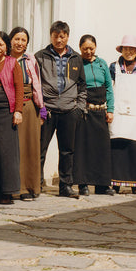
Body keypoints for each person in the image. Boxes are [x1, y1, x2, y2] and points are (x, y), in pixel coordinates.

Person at [36, 21, 87, 198]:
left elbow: (82, 86)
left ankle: (65, 186)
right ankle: (36, 184)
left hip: (69, 111)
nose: (59, 39)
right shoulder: (40, 56)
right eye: (56, 36)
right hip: (47, 111)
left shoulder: (76, 58)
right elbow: (36, 84)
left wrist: (79, 108)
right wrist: (40, 107)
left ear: (67, 36)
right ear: (51, 36)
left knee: (67, 151)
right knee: (40, 150)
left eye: (62, 36)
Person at [109, 35, 136, 194]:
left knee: (135, 148)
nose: (128, 52)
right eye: (125, 49)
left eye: (131, 49)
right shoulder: (113, 67)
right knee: (117, 147)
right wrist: (110, 109)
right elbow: (109, 88)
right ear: (121, 50)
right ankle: (115, 184)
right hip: (118, 114)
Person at [73, 34, 115, 196]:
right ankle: (83, 184)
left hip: (100, 110)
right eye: (85, 49)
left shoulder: (102, 64)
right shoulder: (77, 63)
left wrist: (110, 109)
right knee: (83, 148)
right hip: (85, 110)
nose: (88, 52)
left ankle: (102, 185)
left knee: (101, 148)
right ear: (80, 49)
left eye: (91, 48)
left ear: (95, 48)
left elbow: (109, 88)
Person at [0, 31, 24, 204]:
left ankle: (7, 191)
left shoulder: (12, 63)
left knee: (7, 152)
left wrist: (18, 110)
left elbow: (19, 87)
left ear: (6, 46)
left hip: (6, 112)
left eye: (1, 44)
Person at [9, 27, 46, 201]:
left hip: (30, 105)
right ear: (10, 40)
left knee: (30, 148)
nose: (19, 43)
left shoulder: (30, 60)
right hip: (9, 105)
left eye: (23, 40)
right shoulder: (5, 59)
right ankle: (12, 187)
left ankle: (29, 187)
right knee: (13, 148)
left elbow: (38, 85)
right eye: (17, 39)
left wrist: (42, 109)